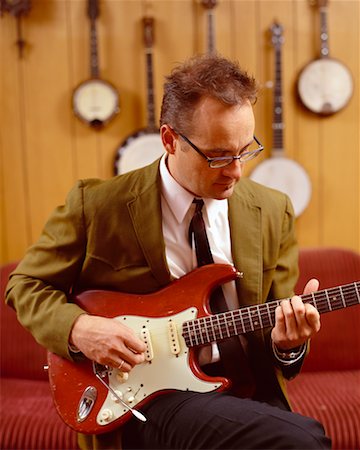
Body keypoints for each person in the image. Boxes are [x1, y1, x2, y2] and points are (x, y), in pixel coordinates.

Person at [5, 54, 331, 450]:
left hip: (246, 393)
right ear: (169, 140)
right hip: (149, 398)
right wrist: (79, 328)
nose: (236, 171)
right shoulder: (97, 205)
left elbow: (278, 328)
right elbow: (25, 285)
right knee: (302, 440)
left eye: (245, 150)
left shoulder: (272, 209)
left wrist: (288, 343)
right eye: (218, 155)